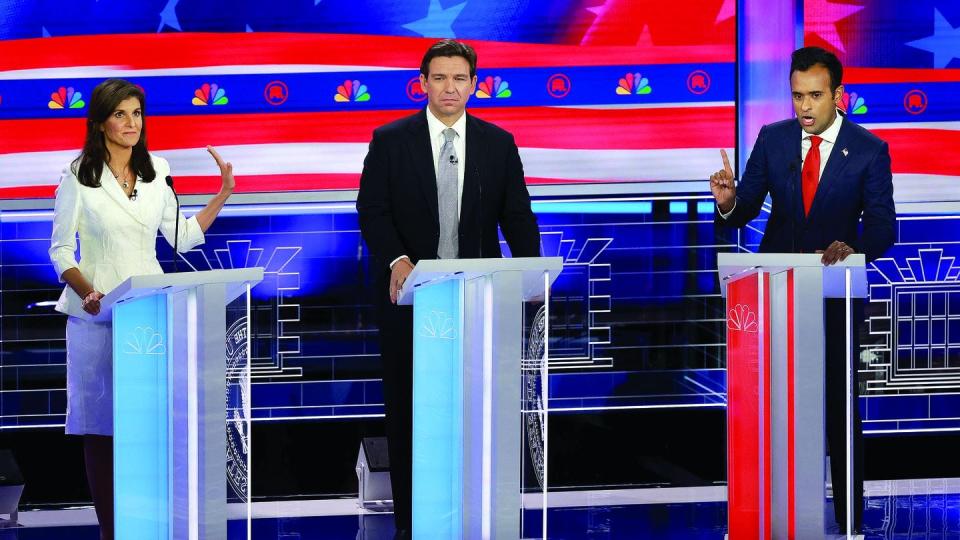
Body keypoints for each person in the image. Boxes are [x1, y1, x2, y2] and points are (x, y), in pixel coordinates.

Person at [356, 39, 541, 537]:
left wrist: (530, 278)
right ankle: (411, 523)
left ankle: (479, 513)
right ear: (423, 83)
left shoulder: (497, 144)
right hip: (408, 301)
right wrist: (397, 259)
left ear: (475, 85)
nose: (450, 88)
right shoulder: (390, 140)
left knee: (478, 407)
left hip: (478, 301)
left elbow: (518, 219)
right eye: (439, 78)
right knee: (410, 410)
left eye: (460, 78)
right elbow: (371, 211)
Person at [710, 46, 896, 533]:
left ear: (838, 95)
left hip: (835, 295)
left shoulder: (870, 150)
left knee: (838, 406)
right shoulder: (772, 141)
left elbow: (883, 229)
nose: (804, 107)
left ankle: (849, 518)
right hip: (774, 296)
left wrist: (851, 245)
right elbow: (745, 209)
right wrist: (729, 202)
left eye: (815, 96)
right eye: (797, 96)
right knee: (770, 405)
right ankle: (769, 510)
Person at [48, 79, 235, 540]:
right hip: (96, 315)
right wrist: (89, 292)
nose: (131, 124)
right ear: (100, 122)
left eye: (136, 114)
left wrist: (223, 194)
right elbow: (59, 252)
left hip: (150, 313)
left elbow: (182, 237)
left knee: (149, 421)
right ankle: (112, 530)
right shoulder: (78, 174)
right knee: (102, 424)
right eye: (120, 115)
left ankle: (151, 524)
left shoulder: (158, 169)